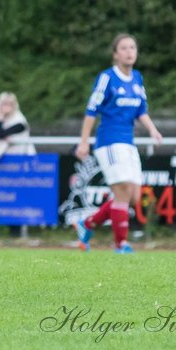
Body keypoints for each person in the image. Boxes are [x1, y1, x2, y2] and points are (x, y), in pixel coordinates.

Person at [73, 34, 163, 253]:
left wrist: (152, 130)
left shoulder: (137, 78)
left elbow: (141, 110)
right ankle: (121, 243)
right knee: (122, 190)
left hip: (128, 143)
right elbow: (91, 110)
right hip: (109, 142)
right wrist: (84, 142)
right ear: (115, 54)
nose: (129, 51)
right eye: (124, 48)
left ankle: (88, 224)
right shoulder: (107, 78)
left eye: (132, 47)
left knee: (133, 196)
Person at [0, 91, 35, 166]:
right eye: (5, 104)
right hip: (2, 160)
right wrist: (0, 119)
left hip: (19, 158)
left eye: (10, 104)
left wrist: (0, 120)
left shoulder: (20, 122)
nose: (7, 107)